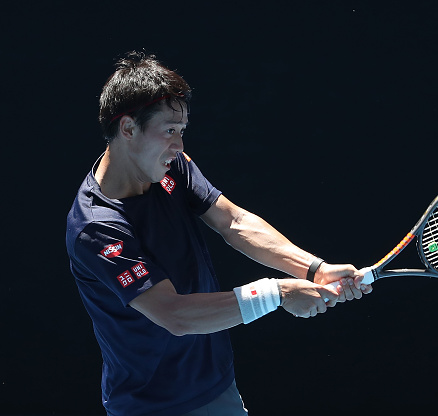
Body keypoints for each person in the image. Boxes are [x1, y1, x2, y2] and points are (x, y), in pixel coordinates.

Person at [65, 51, 372, 416]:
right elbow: (174, 314)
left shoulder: (171, 167)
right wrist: (277, 293)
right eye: (168, 131)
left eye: (181, 132)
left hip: (216, 387)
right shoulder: (97, 228)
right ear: (128, 128)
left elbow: (234, 223)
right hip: (151, 406)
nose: (178, 146)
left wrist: (313, 269)